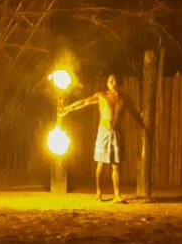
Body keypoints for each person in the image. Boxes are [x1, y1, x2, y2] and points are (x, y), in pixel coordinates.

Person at [58, 74, 142, 203]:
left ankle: (117, 195)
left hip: (116, 132)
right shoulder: (102, 96)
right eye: (109, 80)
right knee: (101, 163)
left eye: (114, 80)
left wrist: (143, 126)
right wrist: (68, 109)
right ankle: (98, 192)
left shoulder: (125, 98)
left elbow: (134, 112)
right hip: (103, 131)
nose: (112, 82)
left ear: (118, 83)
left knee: (116, 165)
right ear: (107, 83)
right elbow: (84, 102)